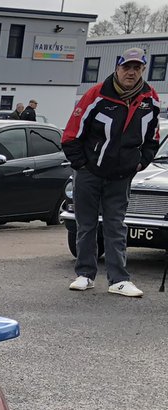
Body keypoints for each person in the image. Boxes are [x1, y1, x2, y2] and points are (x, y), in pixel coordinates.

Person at [63, 47, 161, 297]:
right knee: (85, 225)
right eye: (126, 67)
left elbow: (152, 138)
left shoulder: (150, 99)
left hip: (121, 175)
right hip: (89, 173)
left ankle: (119, 279)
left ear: (143, 70)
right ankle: (85, 274)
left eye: (136, 68)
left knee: (115, 226)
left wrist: (140, 163)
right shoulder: (96, 94)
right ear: (117, 68)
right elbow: (72, 134)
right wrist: (82, 165)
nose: (131, 72)